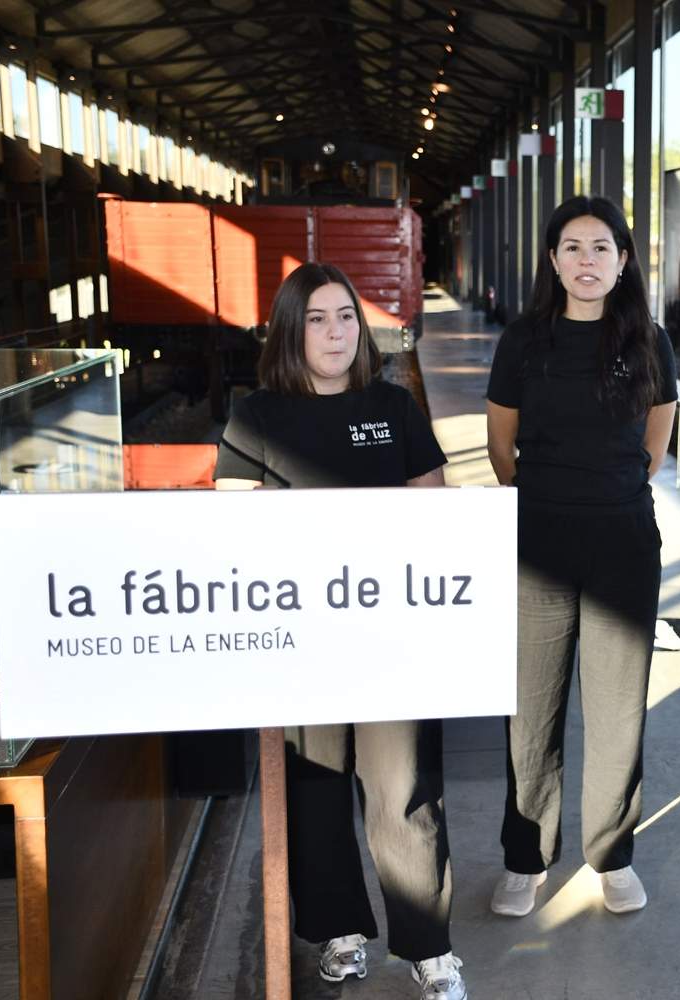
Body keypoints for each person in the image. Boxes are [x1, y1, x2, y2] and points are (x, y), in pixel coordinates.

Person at [214, 262, 466, 1000]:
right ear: (290, 332)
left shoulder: (392, 405)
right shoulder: (256, 417)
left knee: (405, 791)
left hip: (390, 637)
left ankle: (429, 947)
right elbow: (228, 525)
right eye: (317, 319)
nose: (335, 332)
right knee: (315, 790)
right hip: (301, 644)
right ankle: (340, 931)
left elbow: (433, 508)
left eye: (346, 316)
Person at [485, 196, 677, 917]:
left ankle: (612, 856)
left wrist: (611, 488)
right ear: (553, 260)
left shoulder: (649, 342)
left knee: (618, 712)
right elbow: (501, 445)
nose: (586, 260)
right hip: (537, 544)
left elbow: (656, 439)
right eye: (572, 247)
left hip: (622, 546)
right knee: (530, 712)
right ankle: (525, 858)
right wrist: (550, 495)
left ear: (623, 260)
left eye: (601, 248)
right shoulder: (523, 341)